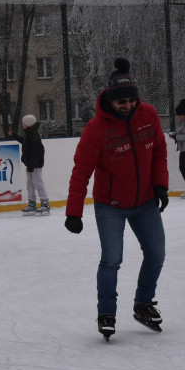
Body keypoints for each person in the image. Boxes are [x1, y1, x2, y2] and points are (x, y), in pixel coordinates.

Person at [64, 58, 169, 341]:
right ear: (110, 100)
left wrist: (160, 184)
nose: (127, 106)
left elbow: (159, 149)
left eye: (131, 100)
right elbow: (81, 171)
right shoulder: (96, 129)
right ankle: (106, 313)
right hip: (109, 205)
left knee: (157, 254)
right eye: (121, 102)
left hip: (145, 201)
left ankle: (143, 304)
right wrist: (73, 212)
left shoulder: (149, 115)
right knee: (112, 259)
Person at [14, 114, 49, 215]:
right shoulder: (28, 134)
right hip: (30, 164)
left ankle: (45, 204)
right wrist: (14, 135)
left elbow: (36, 153)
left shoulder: (34, 136)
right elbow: (23, 142)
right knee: (29, 184)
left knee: (38, 183)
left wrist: (32, 165)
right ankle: (32, 203)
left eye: (23, 122)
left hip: (35, 165)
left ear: (28, 124)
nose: (22, 124)